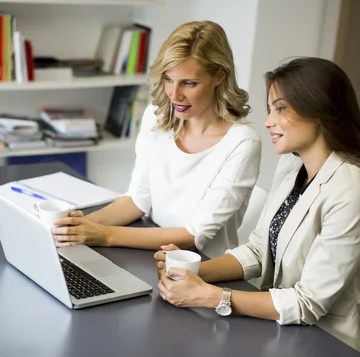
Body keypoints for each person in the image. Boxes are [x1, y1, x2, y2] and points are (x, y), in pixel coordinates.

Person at [154, 57, 360, 357]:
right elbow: (257, 250)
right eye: (270, 110)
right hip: (283, 329)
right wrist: (195, 270)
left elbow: (308, 304)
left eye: (280, 109)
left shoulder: (353, 193)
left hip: (331, 348)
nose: (268, 122)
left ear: (320, 111)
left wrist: (209, 296)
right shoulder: (292, 165)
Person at [52, 21, 262, 258]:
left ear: (219, 76)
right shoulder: (156, 116)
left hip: (199, 268)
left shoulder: (242, 143)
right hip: (149, 250)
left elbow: (193, 237)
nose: (174, 94)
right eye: (168, 79)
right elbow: (137, 200)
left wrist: (104, 234)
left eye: (189, 83)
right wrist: (75, 229)